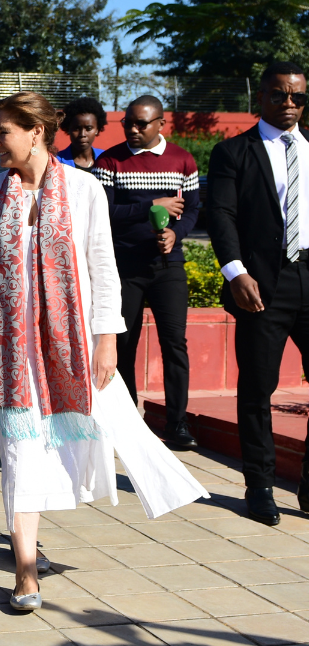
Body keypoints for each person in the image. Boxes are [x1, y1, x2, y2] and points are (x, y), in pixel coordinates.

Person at [0, 92, 207, 612]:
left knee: (69, 443)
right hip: (10, 350)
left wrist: (107, 339)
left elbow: (102, 267)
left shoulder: (84, 189)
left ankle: (30, 544)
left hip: (70, 347)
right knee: (18, 451)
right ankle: (25, 570)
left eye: (4, 132)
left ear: (36, 134)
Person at [209, 62, 309, 525]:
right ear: (262, 98)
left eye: (298, 97)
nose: (289, 104)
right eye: (279, 95)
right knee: (257, 391)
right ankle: (260, 487)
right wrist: (235, 272)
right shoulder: (234, 152)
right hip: (261, 285)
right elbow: (222, 216)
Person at [94, 95, 200, 452]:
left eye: (142, 123)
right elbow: (103, 212)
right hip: (124, 267)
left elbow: (195, 211)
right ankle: (126, 422)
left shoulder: (183, 160)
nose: (134, 129)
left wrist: (176, 233)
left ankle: (177, 423)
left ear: (161, 125)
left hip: (168, 267)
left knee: (175, 345)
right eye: (128, 123)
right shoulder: (109, 161)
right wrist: (151, 205)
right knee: (123, 344)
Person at [55, 97, 106, 170]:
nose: (82, 134)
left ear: (97, 129)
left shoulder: (106, 158)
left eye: (88, 129)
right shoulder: (55, 161)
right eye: (76, 128)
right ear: (68, 128)